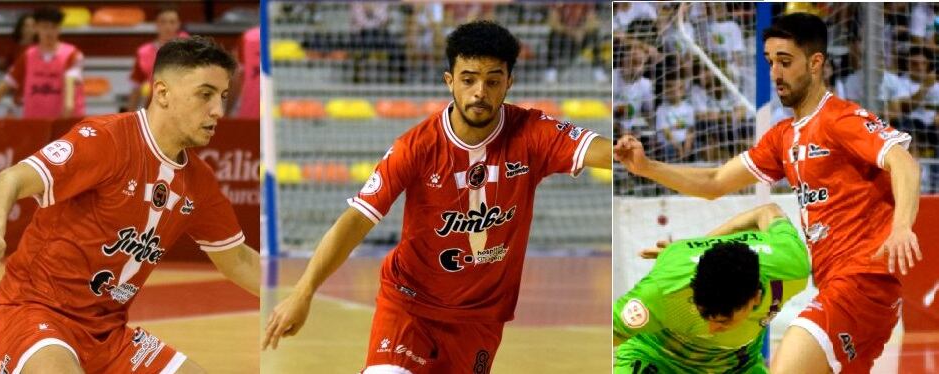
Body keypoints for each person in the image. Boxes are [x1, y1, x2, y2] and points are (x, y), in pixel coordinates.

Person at [262, 20, 613, 373]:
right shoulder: (416, 147)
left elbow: (602, 150)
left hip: (480, 319)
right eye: (468, 79)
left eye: (492, 81)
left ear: (509, 83)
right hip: (409, 307)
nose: (480, 92)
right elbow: (356, 219)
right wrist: (303, 291)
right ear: (450, 81)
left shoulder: (531, 133)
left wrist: (631, 155)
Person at [615, 13, 922, 373]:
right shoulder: (783, 137)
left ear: (816, 62)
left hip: (861, 282)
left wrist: (902, 227)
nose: (775, 73)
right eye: (770, 62)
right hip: (840, 289)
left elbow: (903, 162)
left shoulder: (840, 119)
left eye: (786, 62)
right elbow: (715, 181)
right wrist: (647, 167)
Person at [0, 36, 259, 373]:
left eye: (224, 97)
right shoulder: (106, 139)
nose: (218, 110)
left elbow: (239, 259)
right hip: (34, 312)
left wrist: (294, 297)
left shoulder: (199, 182)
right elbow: (8, 179)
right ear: (162, 93)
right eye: (206, 95)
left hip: (108, 335)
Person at [614, 203, 810, 373]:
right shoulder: (663, 289)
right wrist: (691, 249)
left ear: (756, 297)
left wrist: (687, 249)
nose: (711, 328)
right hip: (657, 357)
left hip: (736, 366)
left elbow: (767, 211)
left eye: (723, 321)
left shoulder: (790, 266)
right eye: (703, 314)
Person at [0, 7, 85, 123]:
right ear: (36, 28)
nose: (49, 32)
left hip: (66, 121)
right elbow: (6, 83)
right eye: (45, 27)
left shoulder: (72, 54)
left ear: (59, 29)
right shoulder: (28, 55)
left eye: (53, 27)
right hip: (35, 122)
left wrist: (68, 105)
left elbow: (70, 80)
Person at [126, 7, 187, 111]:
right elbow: (136, 86)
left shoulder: (189, 47)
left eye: (172, 22)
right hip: (155, 106)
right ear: (157, 24)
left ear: (178, 24)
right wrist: (129, 115)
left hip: (184, 105)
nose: (168, 26)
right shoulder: (143, 52)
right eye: (163, 22)